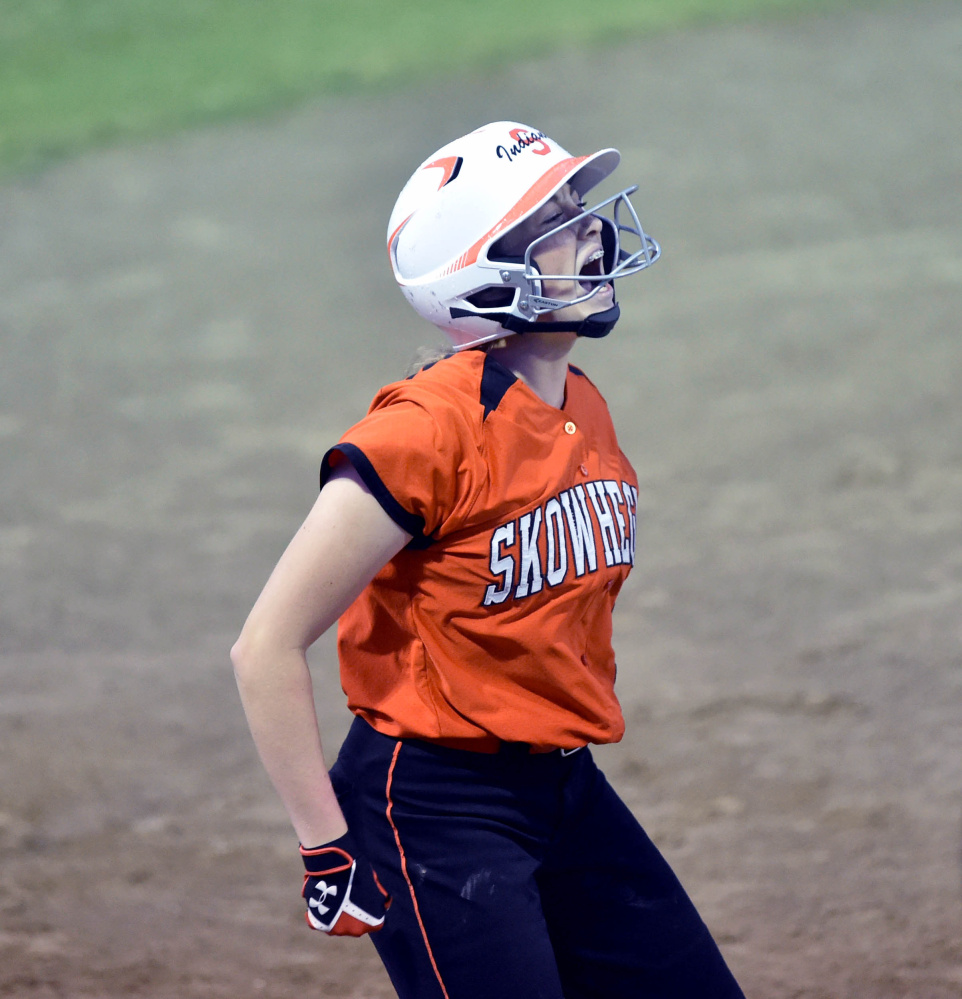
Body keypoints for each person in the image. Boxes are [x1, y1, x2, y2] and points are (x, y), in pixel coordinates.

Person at [231, 121, 745, 999]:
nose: (593, 233)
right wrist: (325, 845)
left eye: (578, 210)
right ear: (485, 270)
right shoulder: (420, 432)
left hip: (563, 787)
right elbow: (265, 645)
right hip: (432, 811)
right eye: (557, 222)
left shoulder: (582, 404)